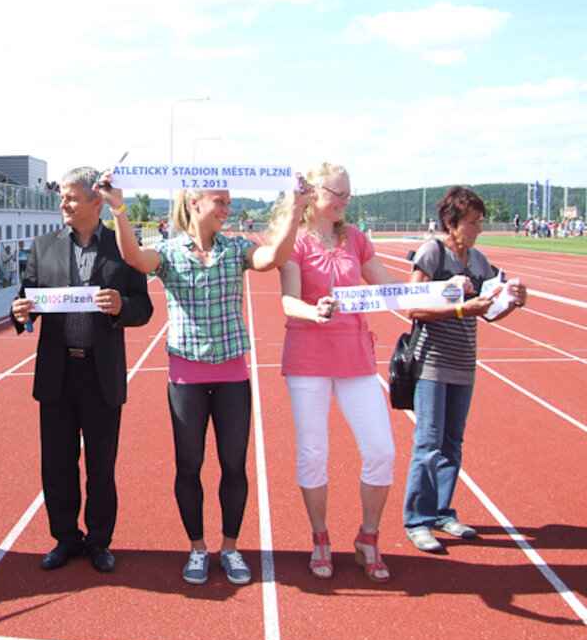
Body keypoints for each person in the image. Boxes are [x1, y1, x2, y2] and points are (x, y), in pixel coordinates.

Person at [95, 170, 309, 585]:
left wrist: (297, 208)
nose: (227, 210)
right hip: (186, 380)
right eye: (221, 202)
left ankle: (230, 548)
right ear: (196, 203)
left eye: (228, 203)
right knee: (189, 467)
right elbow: (134, 259)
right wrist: (118, 208)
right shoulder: (170, 253)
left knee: (233, 466)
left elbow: (273, 259)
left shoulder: (236, 250)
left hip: (233, 376)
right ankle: (197, 548)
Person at [10, 167, 152, 573]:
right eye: (61, 196)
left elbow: (143, 308)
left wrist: (122, 306)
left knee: (101, 466)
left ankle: (100, 542)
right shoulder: (42, 246)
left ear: (96, 202)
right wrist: (19, 314)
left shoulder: (123, 247)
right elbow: (26, 300)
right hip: (56, 373)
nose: (63, 203)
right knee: (57, 462)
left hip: (101, 373)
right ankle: (65, 538)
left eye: (71, 197)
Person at [272, 162, 402, 583]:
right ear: (313, 193)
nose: (344, 202)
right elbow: (289, 302)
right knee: (314, 453)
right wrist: (315, 311)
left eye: (348, 195)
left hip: (355, 357)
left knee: (381, 449)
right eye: (336, 194)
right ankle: (320, 537)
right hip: (308, 357)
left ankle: (368, 536)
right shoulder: (295, 242)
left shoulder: (357, 239)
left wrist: (446, 296)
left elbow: (389, 289)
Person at [403, 186, 527, 553]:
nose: (478, 229)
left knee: (452, 442)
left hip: (463, 363)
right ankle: (417, 519)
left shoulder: (479, 261)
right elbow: (412, 308)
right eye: (472, 222)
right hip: (432, 361)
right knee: (428, 442)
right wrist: (459, 309)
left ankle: (442, 511)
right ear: (450, 223)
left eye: (480, 222)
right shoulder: (432, 252)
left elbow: (489, 312)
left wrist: (516, 302)